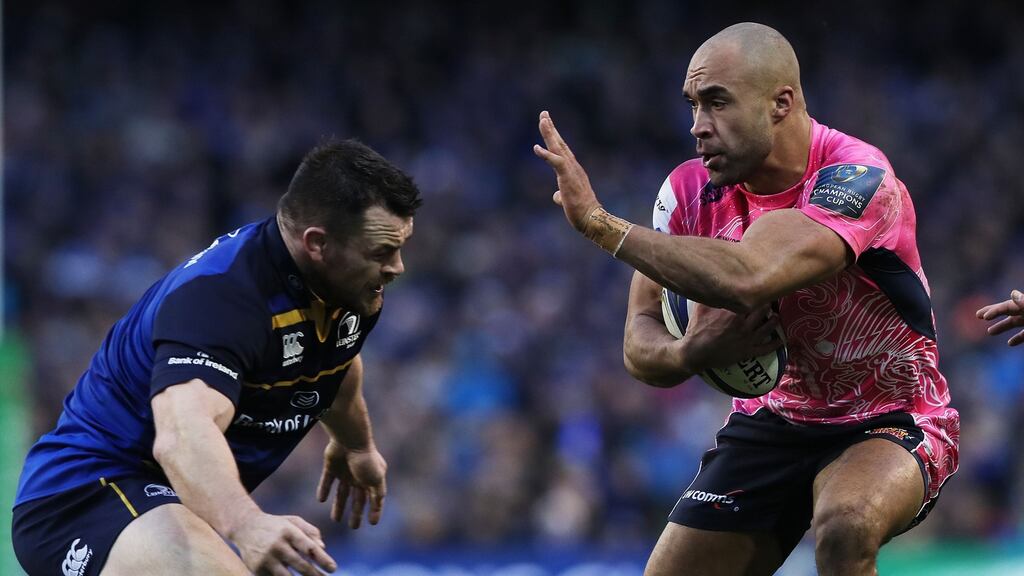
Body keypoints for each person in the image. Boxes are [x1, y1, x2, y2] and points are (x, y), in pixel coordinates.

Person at [534, 22, 959, 576]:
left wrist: (600, 224)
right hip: (772, 421)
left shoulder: (856, 177)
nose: (698, 126)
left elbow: (751, 275)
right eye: (693, 106)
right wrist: (691, 352)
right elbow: (639, 343)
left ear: (781, 103)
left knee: (846, 525)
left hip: (891, 416)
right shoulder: (687, 194)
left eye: (717, 103)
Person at [12, 139, 421, 576]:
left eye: (400, 248)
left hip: (171, 502)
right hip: (85, 493)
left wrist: (356, 444)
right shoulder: (220, 299)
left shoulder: (349, 289)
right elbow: (182, 433)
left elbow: (337, 361)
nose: (397, 267)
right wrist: (247, 524)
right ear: (317, 244)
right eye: (381, 252)